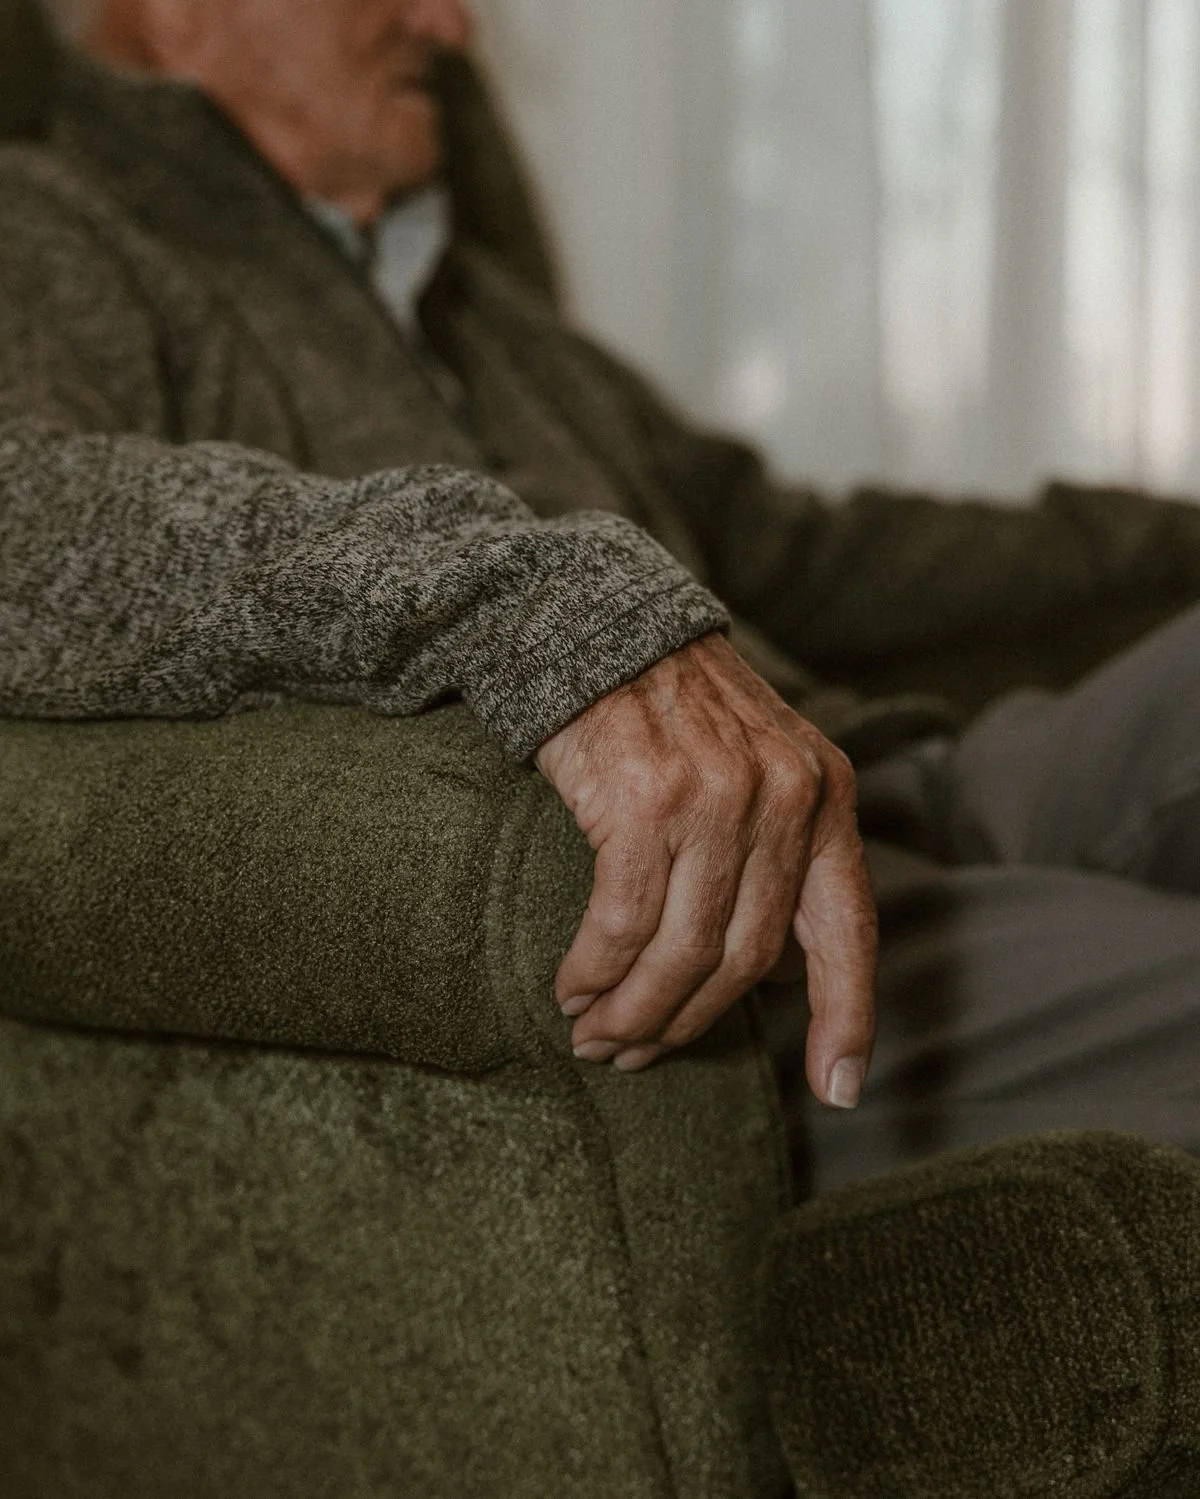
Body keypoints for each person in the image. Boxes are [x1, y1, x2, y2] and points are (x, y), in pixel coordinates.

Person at [2, 0, 1198, 1192]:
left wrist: (1159, 538)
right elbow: (23, 516)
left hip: (906, 782)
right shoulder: (52, 226)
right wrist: (527, 597)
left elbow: (795, 547)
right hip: (752, 928)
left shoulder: (474, 301)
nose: (451, 26)